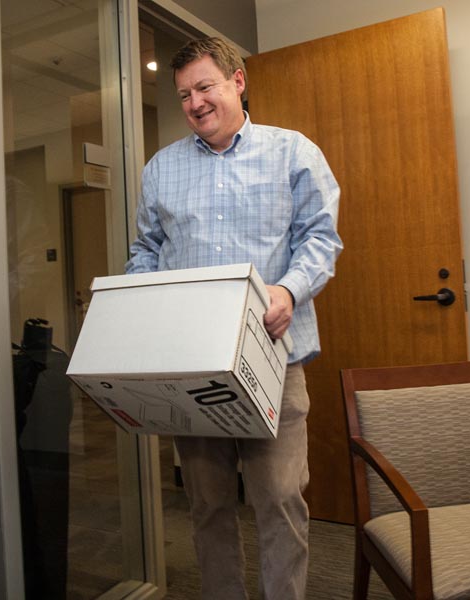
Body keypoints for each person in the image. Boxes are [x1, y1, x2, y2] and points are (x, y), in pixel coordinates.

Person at [125, 37, 343, 599]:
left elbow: (320, 238)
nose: (195, 103)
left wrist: (290, 291)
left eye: (205, 87)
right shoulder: (160, 169)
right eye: (184, 95)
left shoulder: (292, 152)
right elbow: (146, 250)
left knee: (280, 502)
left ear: (237, 81)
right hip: (192, 368)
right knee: (207, 506)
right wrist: (134, 304)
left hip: (274, 357)